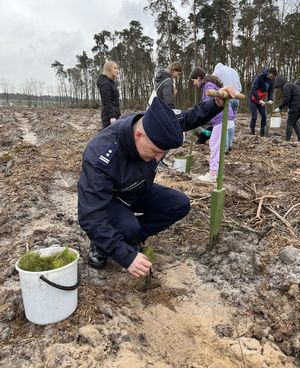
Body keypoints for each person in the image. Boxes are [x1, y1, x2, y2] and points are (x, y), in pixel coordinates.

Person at [77, 91, 235, 277]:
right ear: (138, 135)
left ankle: (129, 238)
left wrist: (215, 104)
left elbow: (186, 118)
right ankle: (101, 244)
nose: (158, 158)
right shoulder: (100, 156)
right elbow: (91, 215)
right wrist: (126, 257)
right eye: (155, 151)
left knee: (179, 204)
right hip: (111, 199)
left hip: (138, 188)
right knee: (128, 227)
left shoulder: (153, 123)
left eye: (163, 152)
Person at [190, 67, 234, 183]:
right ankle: (216, 171)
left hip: (221, 117)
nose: (194, 84)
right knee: (216, 145)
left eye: (194, 81)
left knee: (214, 146)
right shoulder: (210, 84)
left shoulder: (208, 86)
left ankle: (213, 173)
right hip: (224, 117)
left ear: (198, 78)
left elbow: (208, 105)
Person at [213, 62, 242, 153]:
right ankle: (229, 145)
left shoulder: (217, 72)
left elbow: (213, 84)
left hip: (225, 98)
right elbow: (240, 87)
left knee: (223, 122)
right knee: (231, 122)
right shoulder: (234, 71)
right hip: (236, 97)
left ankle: (224, 147)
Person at [249, 68, 277, 136]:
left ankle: (262, 133)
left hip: (262, 100)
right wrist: (259, 100)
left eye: (273, 77)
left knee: (264, 116)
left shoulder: (271, 80)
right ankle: (252, 131)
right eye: (271, 76)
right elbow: (254, 89)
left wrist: (270, 99)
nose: (271, 78)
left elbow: (270, 91)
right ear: (268, 72)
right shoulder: (259, 77)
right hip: (253, 99)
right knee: (254, 116)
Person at [273, 77, 300, 142]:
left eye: (278, 87)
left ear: (279, 84)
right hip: (297, 106)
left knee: (289, 123)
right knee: (294, 122)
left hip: (296, 106)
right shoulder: (290, 85)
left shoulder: (286, 86)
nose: (278, 89)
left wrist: (279, 108)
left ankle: (287, 140)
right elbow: (291, 98)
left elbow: (287, 99)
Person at [96, 61, 121, 129]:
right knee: (110, 137)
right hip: (109, 117)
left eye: (117, 68)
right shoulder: (106, 84)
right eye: (115, 68)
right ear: (109, 70)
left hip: (114, 115)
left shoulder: (110, 83)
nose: (117, 70)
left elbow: (114, 101)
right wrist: (112, 117)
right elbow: (107, 102)